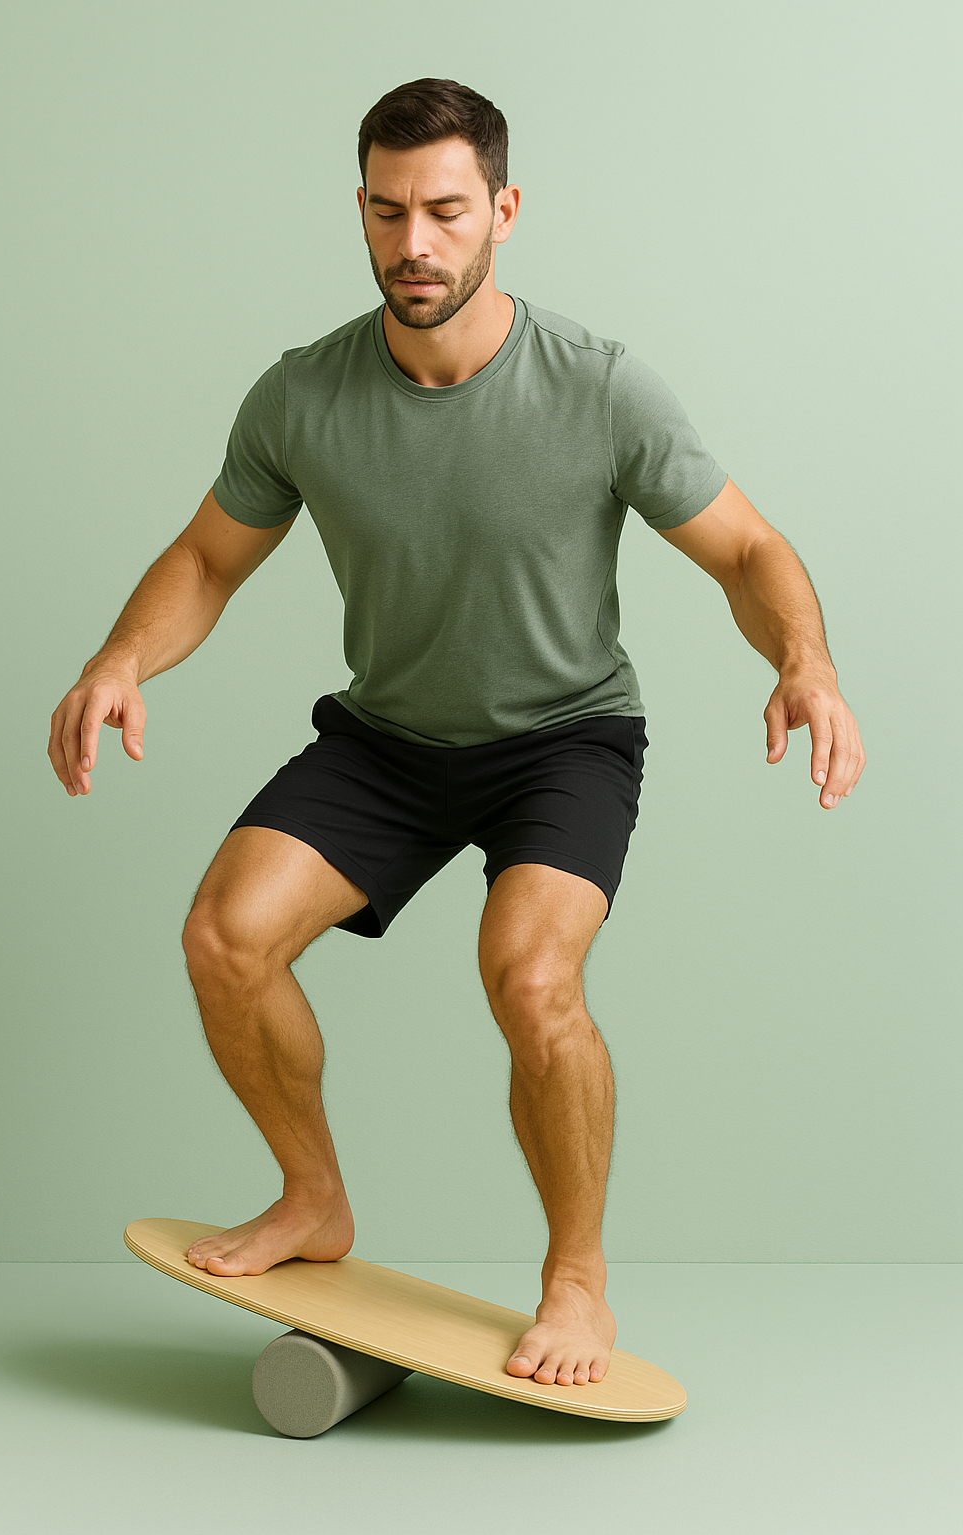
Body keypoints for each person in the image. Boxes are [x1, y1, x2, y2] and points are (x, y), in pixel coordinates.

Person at [48, 78, 866, 1390]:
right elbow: (207, 559)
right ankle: (314, 1196)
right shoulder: (302, 397)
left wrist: (807, 663)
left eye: (443, 211)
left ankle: (577, 1283)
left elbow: (750, 547)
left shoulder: (602, 389)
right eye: (387, 212)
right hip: (389, 739)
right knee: (226, 935)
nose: (413, 245)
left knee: (531, 978)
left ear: (503, 209)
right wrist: (118, 660)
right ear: (360, 212)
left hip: (564, 740)